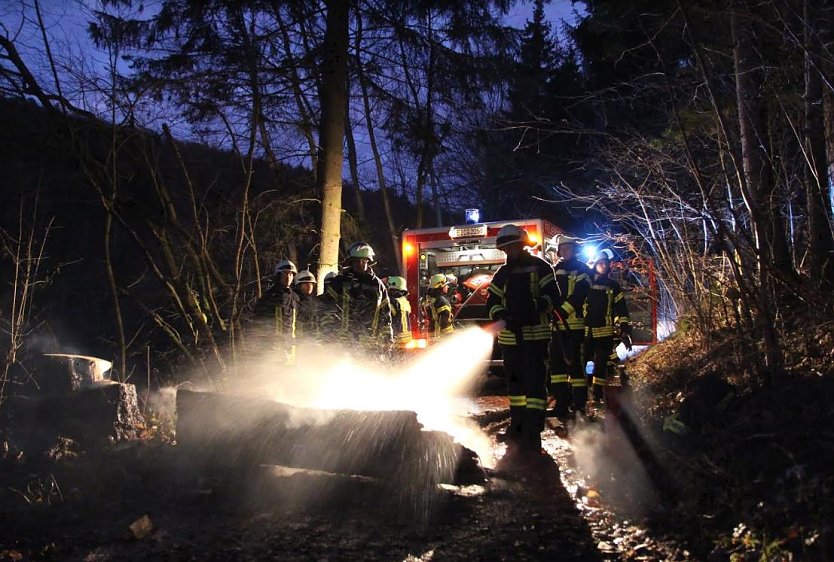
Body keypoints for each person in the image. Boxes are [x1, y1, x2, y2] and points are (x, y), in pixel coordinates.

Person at [487, 224, 558, 457]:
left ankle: (533, 432)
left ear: (522, 245)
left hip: (536, 337)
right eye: (505, 249)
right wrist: (500, 314)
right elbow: (492, 301)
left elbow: (553, 296)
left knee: (535, 387)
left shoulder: (541, 267)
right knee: (516, 387)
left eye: (512, 247)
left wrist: (534, 308)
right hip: (511, 341)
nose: (509, 252)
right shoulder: (502, 274)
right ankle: (517, 428)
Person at [546, 234, 592, 419]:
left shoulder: (583, 270)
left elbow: (580, 294)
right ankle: (561, 404)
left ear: (574, 249)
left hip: (574, 326)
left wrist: (562, 311)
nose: (565, 251)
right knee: (556, 368)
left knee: (575, 368)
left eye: (568, 248)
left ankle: (579, 405)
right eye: (562, 249)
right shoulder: (556, 269)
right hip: (556, 327)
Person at [320, 242, 394, 351]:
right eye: (356, 261)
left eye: (363, 261)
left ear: (368, 261)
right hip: (343, 344)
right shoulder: (339, 283)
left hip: (371, 344)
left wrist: (388, 339)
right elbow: (328, 310)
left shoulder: (377, 285)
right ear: (351, 262)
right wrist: (328, 336)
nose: (360, 264)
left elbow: (385, 314)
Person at [584, 249, 632, 411]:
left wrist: (624, 327)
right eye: (600, 263)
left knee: (600, 365)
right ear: (595, 265)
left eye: (606, 264)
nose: (603, 266)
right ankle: (578, 398)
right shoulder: (585, 282)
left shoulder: (613, 285)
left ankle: (597, 396)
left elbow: (621, 309)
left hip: (604, 332)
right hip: (585, 331)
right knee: (579, 364)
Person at [252, 259, 300, 364]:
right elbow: (259, 321)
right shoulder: (268, 297)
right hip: (271, 346)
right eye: (285, 274)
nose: (288, 277)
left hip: (289, 346)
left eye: (291, 274)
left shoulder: (295, 298)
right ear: (278, 276)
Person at [422, 273, 454, 339]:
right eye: (446, 285)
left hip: (431, 335)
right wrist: (450, 338)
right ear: (440, 286)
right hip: (440, 338)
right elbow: (445, 323)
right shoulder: (442, 301)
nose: (447, 287)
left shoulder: (428, 299)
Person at [387, 276, 413, 349]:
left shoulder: (391, 302)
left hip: (395, 341)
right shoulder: (404, 301)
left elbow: (387, 320)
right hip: (407, 340)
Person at [293, 269, 319, 339]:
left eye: (311, 284)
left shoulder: (314, 302)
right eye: (306, 283)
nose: (309, 286)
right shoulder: (293, 300)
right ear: (299, 285)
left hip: (311, 339)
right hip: (298, 338)